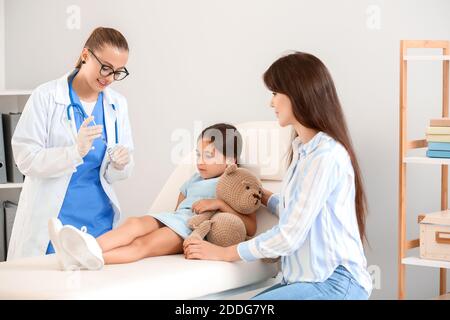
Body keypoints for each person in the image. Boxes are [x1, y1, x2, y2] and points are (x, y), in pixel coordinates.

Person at [184, 52, 373, 300]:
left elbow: (289, 235)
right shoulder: (302, 152)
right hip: (305, 280)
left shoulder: (326, 156)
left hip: (334, 282)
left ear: (297, 93)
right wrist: (263, 196)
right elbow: (296, 212)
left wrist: (224, 253)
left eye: (274, 93)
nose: (270, 103)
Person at [48, 123, 259, 270]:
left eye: (209, 155)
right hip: (175, 218)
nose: (200, 161)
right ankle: (85, 245)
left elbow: (250, 226)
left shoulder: (231, 183)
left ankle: (83, 260)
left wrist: (219, 204)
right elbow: (179, 206)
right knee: (134, 223)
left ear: (231, 161)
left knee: (142, 245)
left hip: (189, 229)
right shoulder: (195, 179)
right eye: (198, 154)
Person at [7, 27, 134, 264]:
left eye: (117, 72)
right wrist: (73, 152)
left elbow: (118, 173)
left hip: (100, 223)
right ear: (86, 55)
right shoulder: (46, 97)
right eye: (105, 67)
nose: (109, 77)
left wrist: (121, 163)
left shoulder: (117, 104)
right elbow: (25, 158)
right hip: (53, 224)